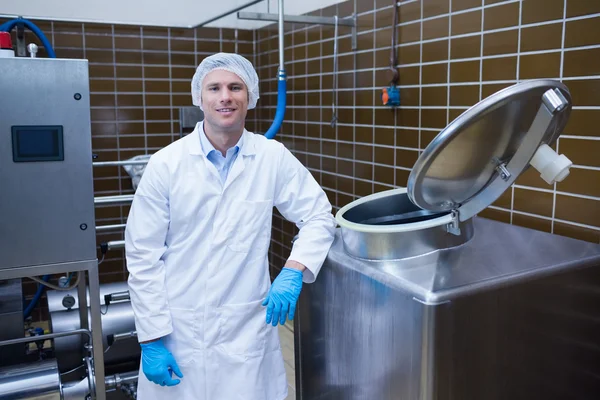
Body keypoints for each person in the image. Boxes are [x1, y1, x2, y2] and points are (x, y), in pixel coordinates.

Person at [125, 52, 337, 400]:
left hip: (246, 330)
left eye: (235, 87)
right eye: (215, 88)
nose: (226, 96)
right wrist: (150, 339)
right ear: (200, 98)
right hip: (179, 331)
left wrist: (294, 270)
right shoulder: (167, 164)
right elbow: (143, 257)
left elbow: (318, 215)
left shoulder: (272, 157)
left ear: (249, 97)